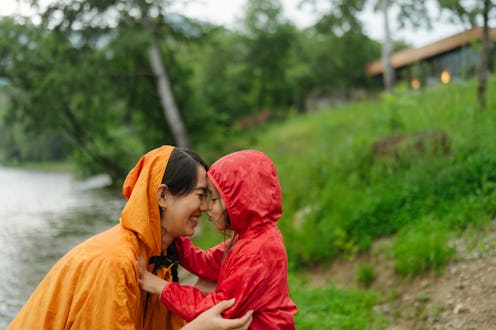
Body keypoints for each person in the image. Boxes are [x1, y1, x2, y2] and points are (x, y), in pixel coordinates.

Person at [8, 145, 253, 330]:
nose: (205, 207)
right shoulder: (115, 262)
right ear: (163, 196)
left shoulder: (159, 257)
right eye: (200, 195)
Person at [138, 150, 298, 329]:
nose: (207, 207)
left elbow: (217, 309)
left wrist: (161, 287)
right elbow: (206, 263)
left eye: (213, 199)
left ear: (239, 202)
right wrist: (172, 234)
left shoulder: (258, 251)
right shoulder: (249, 237)